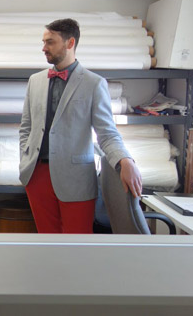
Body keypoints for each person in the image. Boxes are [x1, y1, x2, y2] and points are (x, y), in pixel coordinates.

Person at [19, 18, 142, 234]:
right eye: (44, 42)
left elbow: (107, 133)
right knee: (46, 242)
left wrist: (125, 160)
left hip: (76, 178)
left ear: (70, 43)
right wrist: (25, 160)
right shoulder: (35, 81)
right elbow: (26, 128)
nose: (43, 48)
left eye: (50, 42)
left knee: (78, 243)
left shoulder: (94, 83)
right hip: (36, 176)